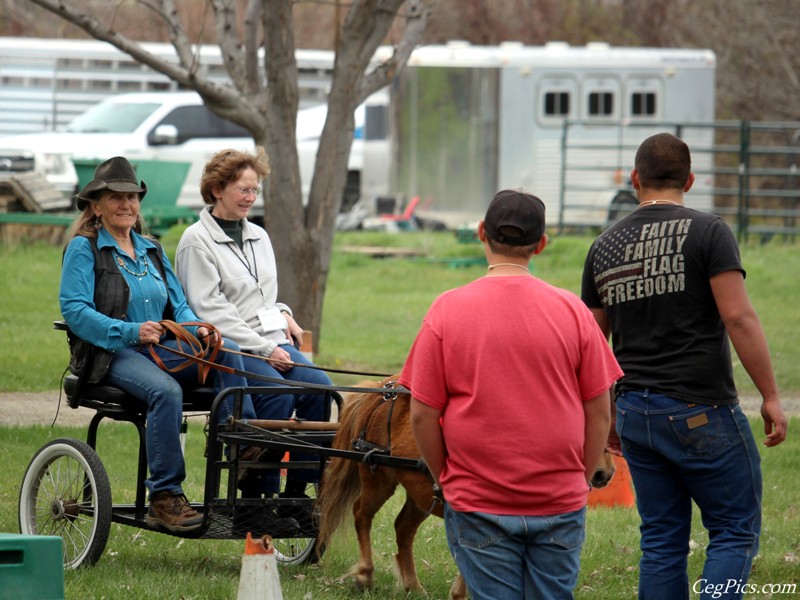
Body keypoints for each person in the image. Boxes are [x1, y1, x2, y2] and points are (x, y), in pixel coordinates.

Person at [581, 133, 788, 600]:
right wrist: (771, 397)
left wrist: (605, 413)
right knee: (733, 531)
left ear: (635, 180)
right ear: (690, 180)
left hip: (635, 415)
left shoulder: (604, 246)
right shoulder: (709, 231)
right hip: (702, 409)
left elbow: (593, 342)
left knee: (661, 539)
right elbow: (737, 316)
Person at [400, 189, 623, 600]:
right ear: (541, 244)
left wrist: (445, 479)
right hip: (559, 501)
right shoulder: (574, 311)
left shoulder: (447, 310)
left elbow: (421, 415)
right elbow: (600, 412)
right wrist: (579, 477)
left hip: (476, 502)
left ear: (481, 233)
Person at [59, 156, 272, 533]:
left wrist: (198, 329)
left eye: (132, 198)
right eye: (115, 198)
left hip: (158, 350)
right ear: (96, 205)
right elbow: (75, 310)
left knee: (227, 353)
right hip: (111, 353)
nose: (127, 205)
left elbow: (181, 304)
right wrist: (130, 331)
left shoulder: (151, 249)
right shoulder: (83, 248)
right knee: (165, 391)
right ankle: (164, 496)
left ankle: (242, 443)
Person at [175, 147, 332, 509]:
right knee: (276, 393)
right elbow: (210, 309)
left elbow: (261, 297)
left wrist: (285, 312)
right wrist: (264, 349)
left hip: (270, 340)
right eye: (243, 189)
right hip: (230, 347)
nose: (250, 198)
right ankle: (254, 494)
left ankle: (296, 493)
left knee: (320, 389)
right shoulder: (196, 241)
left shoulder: (260, 236)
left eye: (254, 190)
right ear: (217, 189)